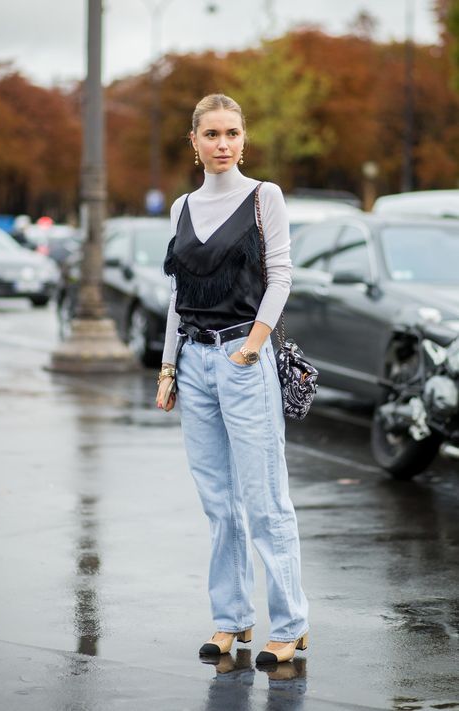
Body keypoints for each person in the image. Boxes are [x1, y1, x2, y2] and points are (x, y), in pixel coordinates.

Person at [155, 94, 308, 665]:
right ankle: (231, 619)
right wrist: (168, 367)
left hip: (244, 358)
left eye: (232, 133)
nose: (223, 144)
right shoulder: (183, 208)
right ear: (192, 142)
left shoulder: (264, 196)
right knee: (219, 503)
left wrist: (253, 346)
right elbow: (178, 294)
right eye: (212, 134)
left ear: (245, 139)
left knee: (265, 500)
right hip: (194, 363)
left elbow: (282, 275)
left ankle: (290, 623)